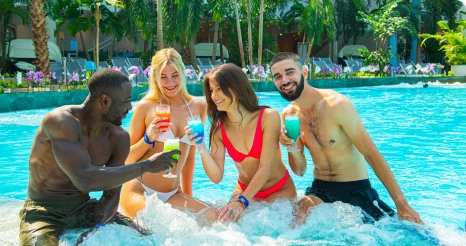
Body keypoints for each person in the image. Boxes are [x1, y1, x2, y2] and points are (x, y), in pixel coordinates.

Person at [19, 69, 181, 246]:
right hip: (43, 211)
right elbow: (84, 179)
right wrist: (145, 166)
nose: (130, 107)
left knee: (150, 241)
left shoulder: (118, 138)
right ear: (105, 101)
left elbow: (112, 194)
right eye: (126, 100)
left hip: (83, 208)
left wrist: (98, 228)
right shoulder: (60, 122)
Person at [270, 52, 423, 226]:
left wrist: (402, 204)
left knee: (411, 231)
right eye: (278, 77)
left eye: (290, 72)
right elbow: (300, 170)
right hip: (320, 189)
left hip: (355, 188)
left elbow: (371, 153)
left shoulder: (337, 105)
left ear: (304, 73)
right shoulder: (289, 115)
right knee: (297, 219)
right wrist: (291, 147)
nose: (284, 80)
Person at [185, 63, 297, 223]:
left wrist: (242, 202)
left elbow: (264, 169)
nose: (214, 95)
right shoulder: (219, 128)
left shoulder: (268, 117)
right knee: (220, 223)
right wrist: (201, 147)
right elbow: (216, 177)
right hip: (244, 191)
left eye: (219, 89)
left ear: (236, 88)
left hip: (279, 190)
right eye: (211, 90)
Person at [119, 48, 217, 221]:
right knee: (161, 224)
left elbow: (190, 158)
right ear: (155, 78)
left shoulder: (198, 106)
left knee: (214, 216)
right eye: (163, 77)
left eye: (175, 75)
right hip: (139, 190)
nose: (170, 82)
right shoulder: (146, 107)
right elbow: (125, 161)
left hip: (173, 193)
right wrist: (148, 138)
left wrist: (188, 196)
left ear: (182, 73)